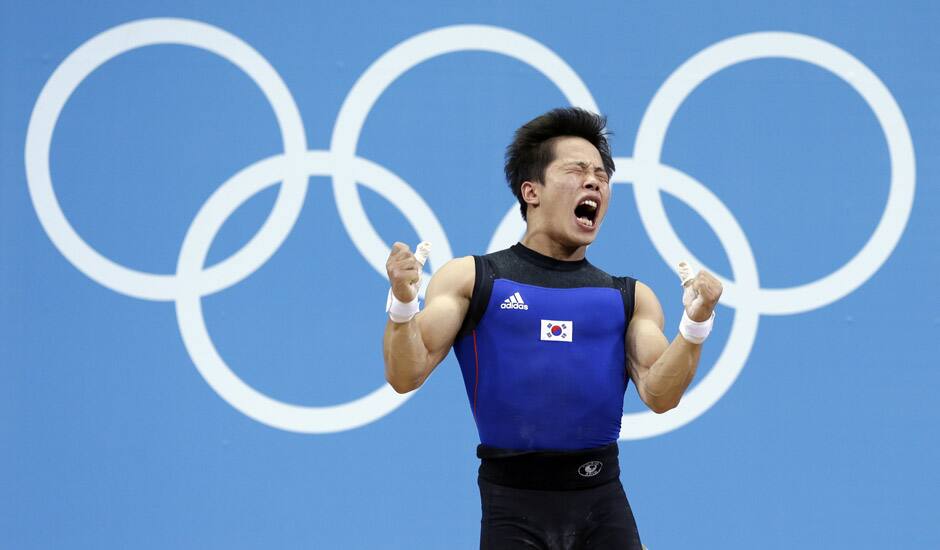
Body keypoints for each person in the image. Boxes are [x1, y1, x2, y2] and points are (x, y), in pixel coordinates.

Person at [382, 107, 722, 549]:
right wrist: (403, 305)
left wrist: (695, 326)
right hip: (511, 508)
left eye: (601, 175)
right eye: (577, 170)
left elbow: (661, 394)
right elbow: (404, 374)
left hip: (602, 506)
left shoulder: (629, 297)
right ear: (531, 191)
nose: (594, 182)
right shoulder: (473, 279)